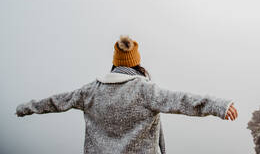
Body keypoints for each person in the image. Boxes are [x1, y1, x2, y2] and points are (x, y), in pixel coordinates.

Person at [15, 35, 238, 154]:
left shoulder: (91, 91)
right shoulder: (144, 91)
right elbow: (181, 101)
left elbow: (56, 102)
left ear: (114, 63)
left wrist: (25, 108)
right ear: (137, 63)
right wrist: (218, 106)